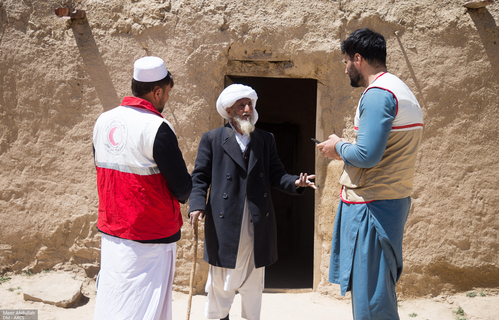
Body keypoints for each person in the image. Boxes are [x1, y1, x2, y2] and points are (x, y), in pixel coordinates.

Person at [318, 28, 423, 319]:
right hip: (387, 202)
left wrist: (337, 146)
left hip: (371, 209)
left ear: (358, 58)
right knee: (377, 295)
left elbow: (367, 155)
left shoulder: (378, 94)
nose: (345, 68)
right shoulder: (401, 90)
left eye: (346, 62)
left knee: (371, 303)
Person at [189, 84, 316, 320]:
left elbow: (276, 174)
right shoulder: (213, 139)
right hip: (224, 224)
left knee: (253, 287)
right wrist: (196, 205)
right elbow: (200, 177)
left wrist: (296, 183)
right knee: (220, 287)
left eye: (250, 104)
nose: (248, 109)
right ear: (229, 110)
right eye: (241, 105)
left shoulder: (265, 139)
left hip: (256, 223)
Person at [92, 56, 192, 320]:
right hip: (150, 239)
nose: (167, 99)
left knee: (114, 301)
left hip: (113, 233)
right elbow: (182, 186)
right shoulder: (156, 127)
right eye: (167, 93)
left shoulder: (103, 121)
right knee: (145, 308)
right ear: (157, 92)